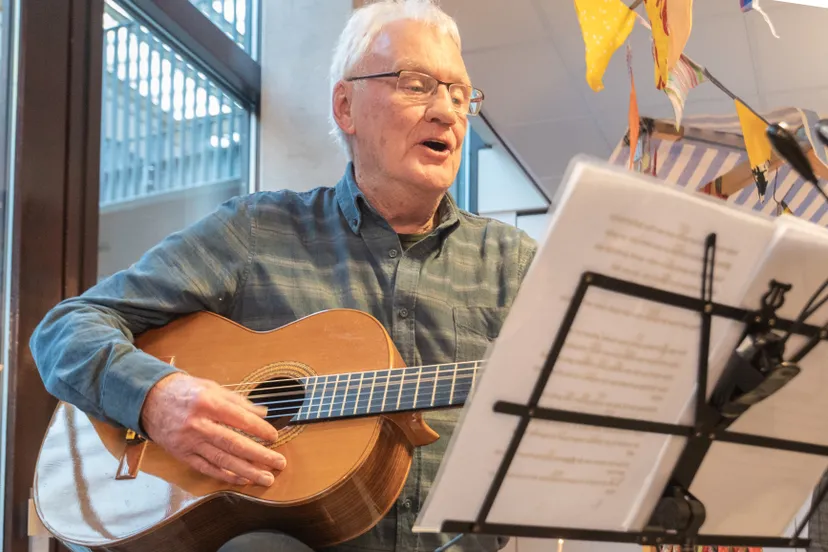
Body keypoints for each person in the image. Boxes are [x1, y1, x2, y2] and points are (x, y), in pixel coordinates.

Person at [29, 0, 537, 550]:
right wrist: (154, 398)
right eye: (416, 84)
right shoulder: (257, 230)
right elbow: (65, 329)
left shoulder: (514, 262)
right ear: (346, 106)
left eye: (461, 95)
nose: (447, 111)